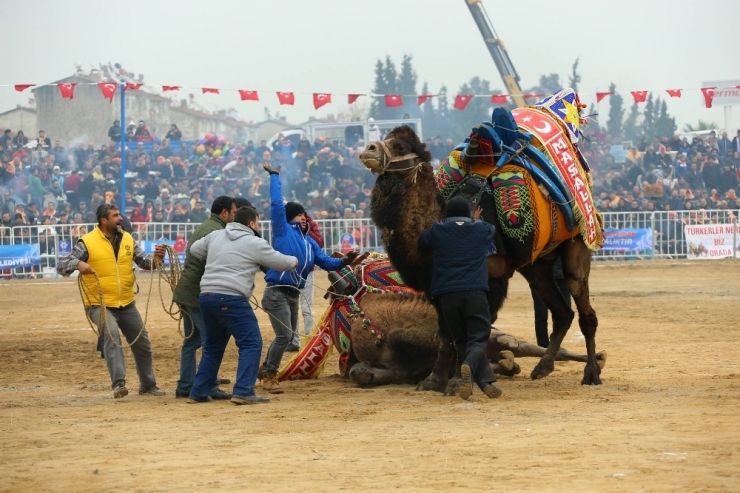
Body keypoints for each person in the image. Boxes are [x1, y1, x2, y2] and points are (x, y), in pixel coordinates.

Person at [259, 163, 356, 394]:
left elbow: (326, 262)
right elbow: (275, 203)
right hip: (277, 291)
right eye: (301, 214)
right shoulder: (282, 230)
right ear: (292, 216)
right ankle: (270, 376)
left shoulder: (310, 242)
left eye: (305, 214)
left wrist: (345, 261)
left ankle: (264, 369)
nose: (305, 217)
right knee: (284, 336)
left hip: (293, 293)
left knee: (287, 336)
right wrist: (274, 176)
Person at [187, 206, 298, 405]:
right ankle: (244, 391)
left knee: (212, 347)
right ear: (252, 224)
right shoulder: (254, 242)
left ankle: (199, 392)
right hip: (232, 298)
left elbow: (194, 249)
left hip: (207, 296)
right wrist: (296, 259)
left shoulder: (216, 235)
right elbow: (281, 262)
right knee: (252, 342)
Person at [56, 204, 166, 399]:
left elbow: (145, 263)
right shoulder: (87, 242)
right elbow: (62, 264)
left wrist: (158, 259)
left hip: (126, 302)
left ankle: (148, 385)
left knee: (143, 343)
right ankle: (119, 384)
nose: (120, 218)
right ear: (104, 221)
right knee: (112, 336)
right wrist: (79, 263)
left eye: (119, 215)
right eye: (115, 216)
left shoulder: (128, 239)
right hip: (99, 303)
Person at [418, 196, 501, 400]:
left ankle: (485, 383)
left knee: (461, 339)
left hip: (447, 295)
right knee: (479, 336)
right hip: (474, 292)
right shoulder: (480, 229)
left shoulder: (438, 230)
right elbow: (492, 231)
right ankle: (468, 366)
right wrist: (477, 219)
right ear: (468, 213)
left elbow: (422, 241)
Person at [172, 196, 238, 400]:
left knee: (192, 342)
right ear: (225, 213)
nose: (235, 217)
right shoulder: (217, 232)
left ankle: (186, 385)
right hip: (197, 293)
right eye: (234, 212)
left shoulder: (208, 227)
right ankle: (208, 386)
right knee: (212, 341)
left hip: (189, 291)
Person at [290, 213, 324, 349]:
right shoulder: (287, 227)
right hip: (291, 271)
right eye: (298, 215)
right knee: (292, 308)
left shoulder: (310, 225)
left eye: (303, 215)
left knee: (306, 307)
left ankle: (309, 339)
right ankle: (294, 341)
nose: (302, 218)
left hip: (306, 271)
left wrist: (307, 228)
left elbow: (320, 243)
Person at [530, 257, 571, 348]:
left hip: (562, 278)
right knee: (541, 314)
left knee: (566, 314)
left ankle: (554, 341)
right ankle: (543, 346)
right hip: (541, 279)